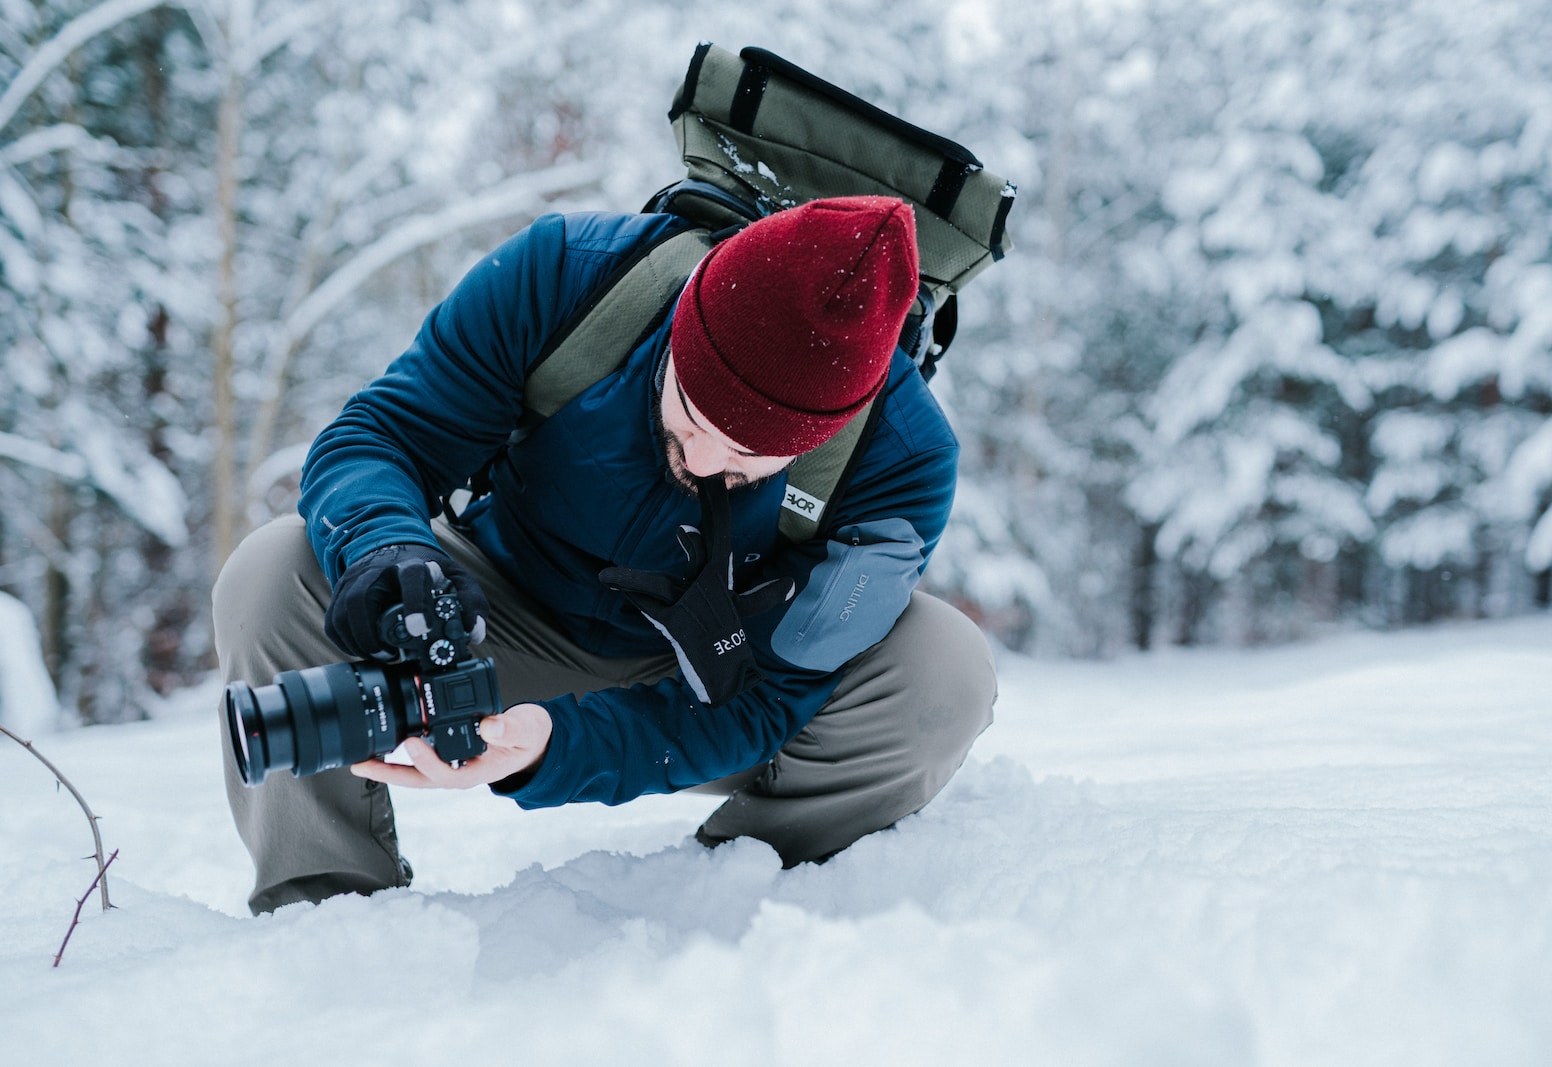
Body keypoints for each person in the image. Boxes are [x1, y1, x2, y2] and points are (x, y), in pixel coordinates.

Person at [214, 195, 997, 915]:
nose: (702, 457)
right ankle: (325, 912)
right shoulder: (568, 275)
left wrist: (562, 747)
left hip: (710, 683)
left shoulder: (901, 459)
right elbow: (382, 437)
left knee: (944, 667)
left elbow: (770, 701)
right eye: (692, 414)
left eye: (746, 461)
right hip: (498, 608)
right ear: (685, 322)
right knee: (273, 568)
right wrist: (390, 555)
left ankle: (737, 900)